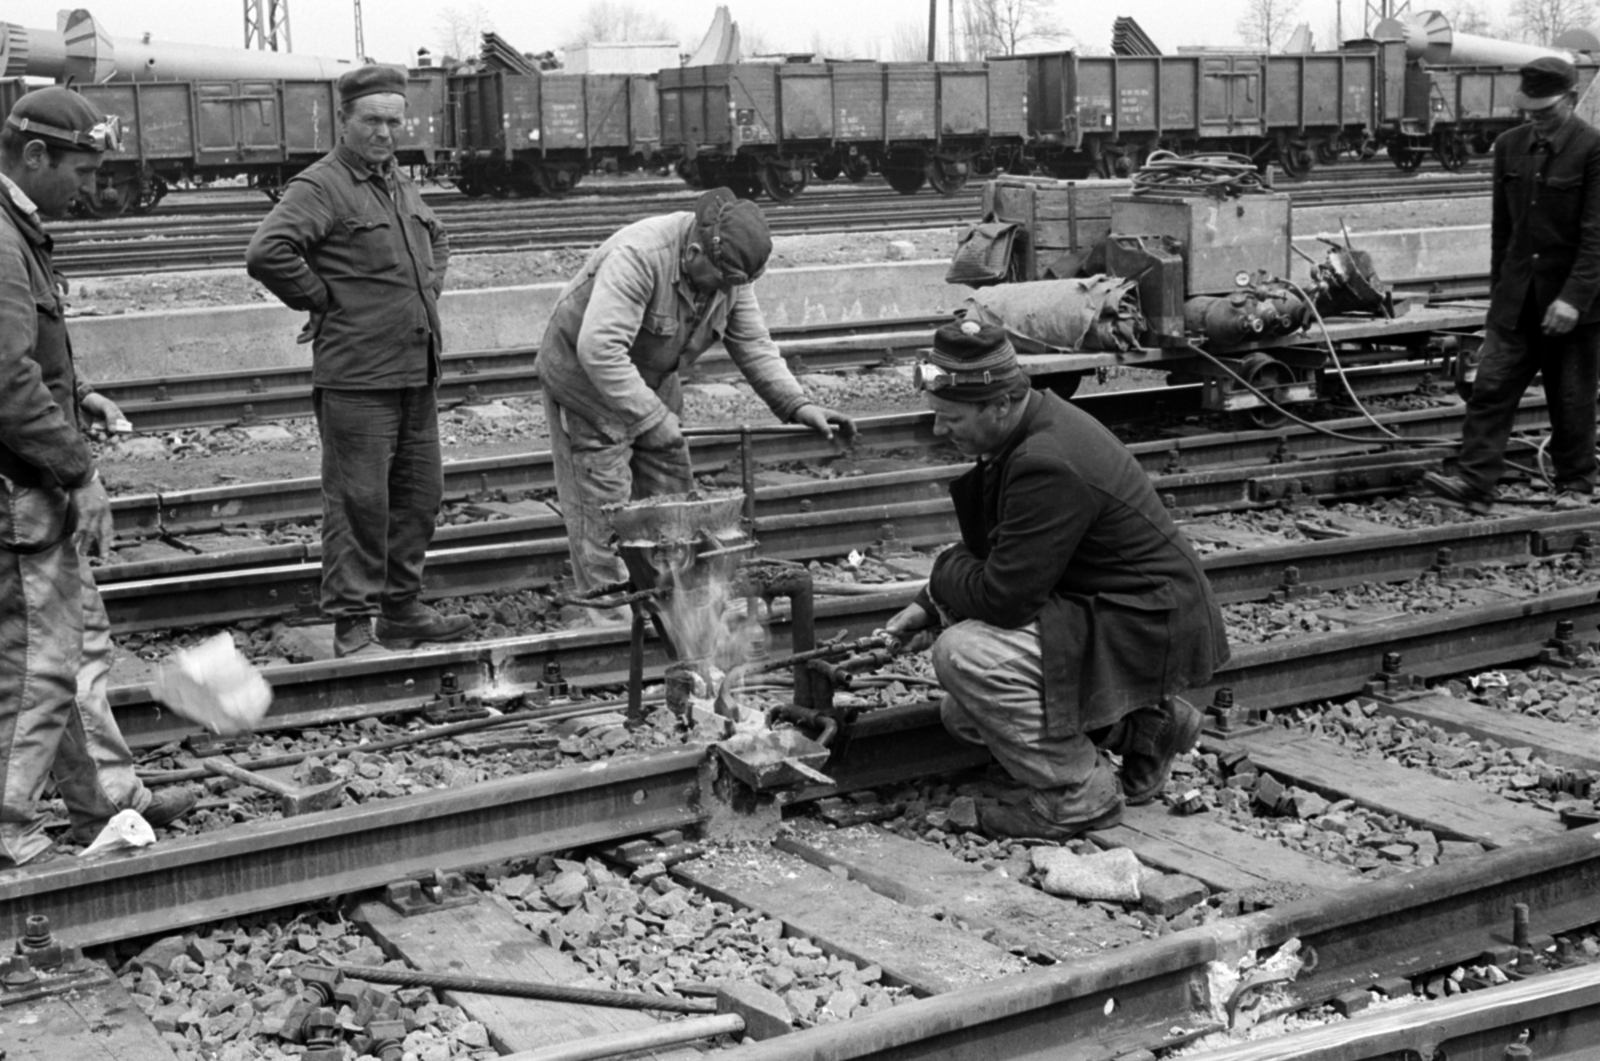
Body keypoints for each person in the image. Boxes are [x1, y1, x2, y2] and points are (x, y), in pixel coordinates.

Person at [883, 320, 1231, 840]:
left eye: (951, 417)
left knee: (964, 655)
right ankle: (1145, 731)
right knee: (966, 713)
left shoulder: (1046, 461)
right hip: (1117, 605)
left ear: (998, 404)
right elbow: (1005, 551)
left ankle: (1079, 794)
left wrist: (940, 575)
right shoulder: (1031, 428)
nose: (939, 430)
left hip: (1146, 620)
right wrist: (931, 602)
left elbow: (1004, 598)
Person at [0, 88, 195, 867]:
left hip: (30, 477)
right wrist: (80, 472)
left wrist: (76, 395)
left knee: (75, 644)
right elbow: (5, 380)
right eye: (79, 168)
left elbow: (27, 361)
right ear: (36, 156)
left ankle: (104, 800)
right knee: (37, 662)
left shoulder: (18, 229)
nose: (87, 187)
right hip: (21, 487)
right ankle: (8, 830)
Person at [537, 187, 856, 610]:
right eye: (721, 280)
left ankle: (678, 602)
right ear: (692, 254)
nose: (726, 290)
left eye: (733, 284)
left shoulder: (729, 271)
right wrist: (651, 417)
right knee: (605, 500)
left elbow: (753, 343)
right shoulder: (639, 256)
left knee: (672, 477)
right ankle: (610, 620)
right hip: (586, 378)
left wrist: (798, 404)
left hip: (652, 373)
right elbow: (600, 350)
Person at [247, 65, 472, 657]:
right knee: (359, 504)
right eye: (372, 120)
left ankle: (400, 611)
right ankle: (351, 626)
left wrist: (427, 289)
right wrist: (324, 299)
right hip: (357, 378)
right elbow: (268, 251)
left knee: (419, 497)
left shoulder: (395, 182)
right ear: (344, 121)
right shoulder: (321, 186)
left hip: (415, 371)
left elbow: (439, 237)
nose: (385, 132)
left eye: (394, 120)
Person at [1424, 57, 1600, 516]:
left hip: (1571, 305)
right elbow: (1503, 233)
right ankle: (1475, 484)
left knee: (1571, 398)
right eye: (1529, 108)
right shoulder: (1509, 146)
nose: (1535, 117)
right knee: (1490, 389)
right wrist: (1497, 300)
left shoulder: (1593, 149)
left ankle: (1576, 484)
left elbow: (1596, 237)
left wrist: (1573, 300)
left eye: (1545, 108)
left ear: (1570, 97)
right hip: (1516, 299)